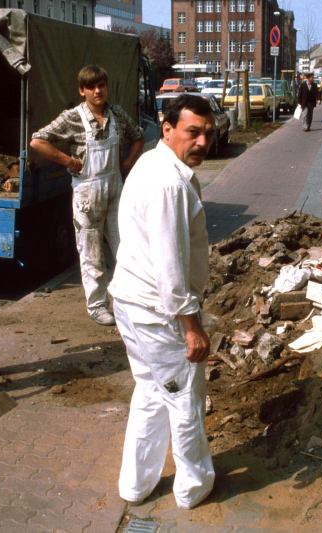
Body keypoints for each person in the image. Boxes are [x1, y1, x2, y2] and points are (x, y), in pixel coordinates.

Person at [109, 94, 216, 510]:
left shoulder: (153, 164)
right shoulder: (169, 183)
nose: (202, 142)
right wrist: (192, 326)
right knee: (184, 399)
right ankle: (193, 487)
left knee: (152, 391)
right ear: (167, 128)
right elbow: (170, 266)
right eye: (193, 132)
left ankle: (136, 485)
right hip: (159, 312)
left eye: (207, 133)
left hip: (132, 302)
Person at [30, 66, 145, 326]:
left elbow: (137, 137)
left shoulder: (117, 115)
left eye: (101, 85)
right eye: (91, 87)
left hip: (115, 193)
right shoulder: (73, 117)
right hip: (87, 197)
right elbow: (38, 140)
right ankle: (97, 306)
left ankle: (131, 300)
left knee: (126, 248)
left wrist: (127, 162)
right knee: (92, 254)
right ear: (82, 91)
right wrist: (68, 161)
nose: (97, 91)